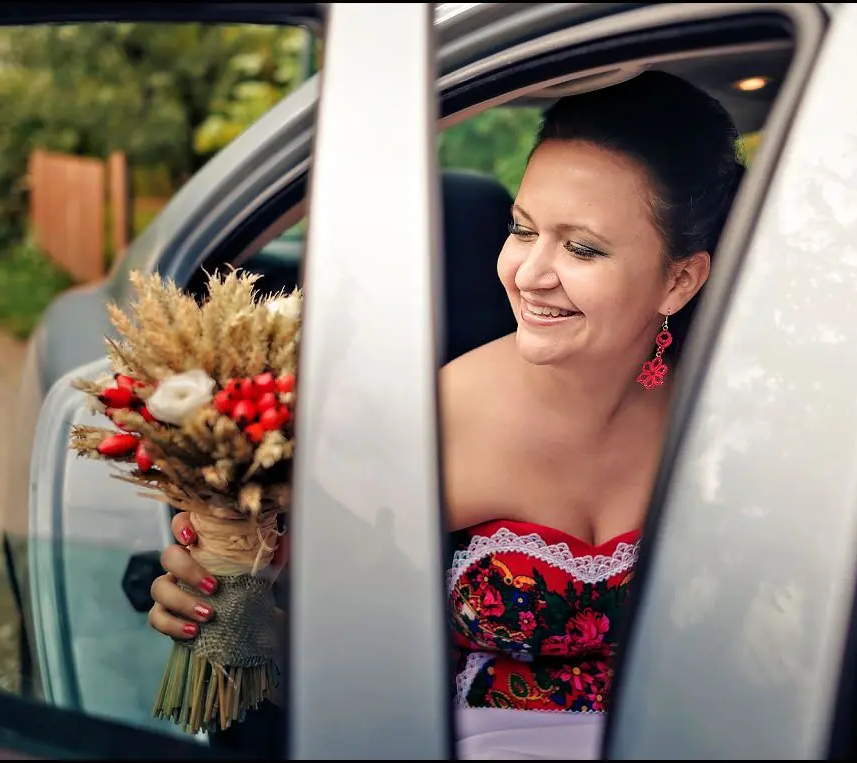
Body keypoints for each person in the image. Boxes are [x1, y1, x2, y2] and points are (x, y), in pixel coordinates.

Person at [147, 69, 746, 760]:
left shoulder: (720, 415)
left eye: (581, 247)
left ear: (679, 279)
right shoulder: (432, 419)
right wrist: (225, 612)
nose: (529, 272)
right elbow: (324, 651)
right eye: (522, 230)